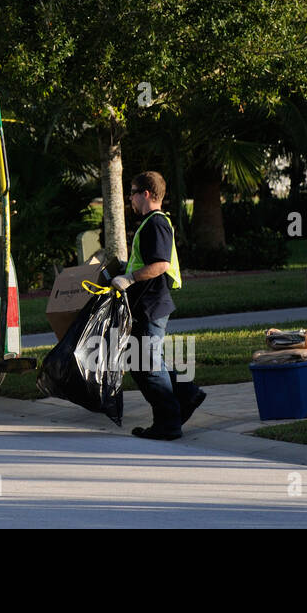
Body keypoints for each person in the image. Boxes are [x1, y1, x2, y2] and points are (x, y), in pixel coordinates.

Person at [110, 170, 206, 440]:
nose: (130, 199)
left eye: (132, 192)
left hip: (151, 305)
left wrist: (129, 278)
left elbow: (161, 264)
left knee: (147, 366)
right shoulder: (151, 223)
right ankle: (187, 395)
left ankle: (168, 423)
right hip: (147, 305)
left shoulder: (156, 223)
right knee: (144, 361)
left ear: (146, 194)